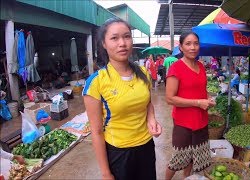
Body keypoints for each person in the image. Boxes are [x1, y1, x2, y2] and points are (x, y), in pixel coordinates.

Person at [82, 17, 162, 180]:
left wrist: (152, 119)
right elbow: (96, 132)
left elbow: (148, 104)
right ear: (104, 44)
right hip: (118, 153)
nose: (122, 43)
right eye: (114, 38)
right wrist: (106, 173)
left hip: (146, 147)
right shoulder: (96, 82)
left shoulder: (143, 73)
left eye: (126, 36)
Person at [165, 31, 215, 179]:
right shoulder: (176, 68)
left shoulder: (201, 66)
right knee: (177, 159)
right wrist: (198, 103)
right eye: (188, 44)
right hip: (183, 123)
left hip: (201, 121)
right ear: (180, 47)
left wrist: (208, 98)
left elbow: (201, 90)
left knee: (193, 158)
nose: (193, 47)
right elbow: (170, 98)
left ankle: (187, 178)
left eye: (196, 43)